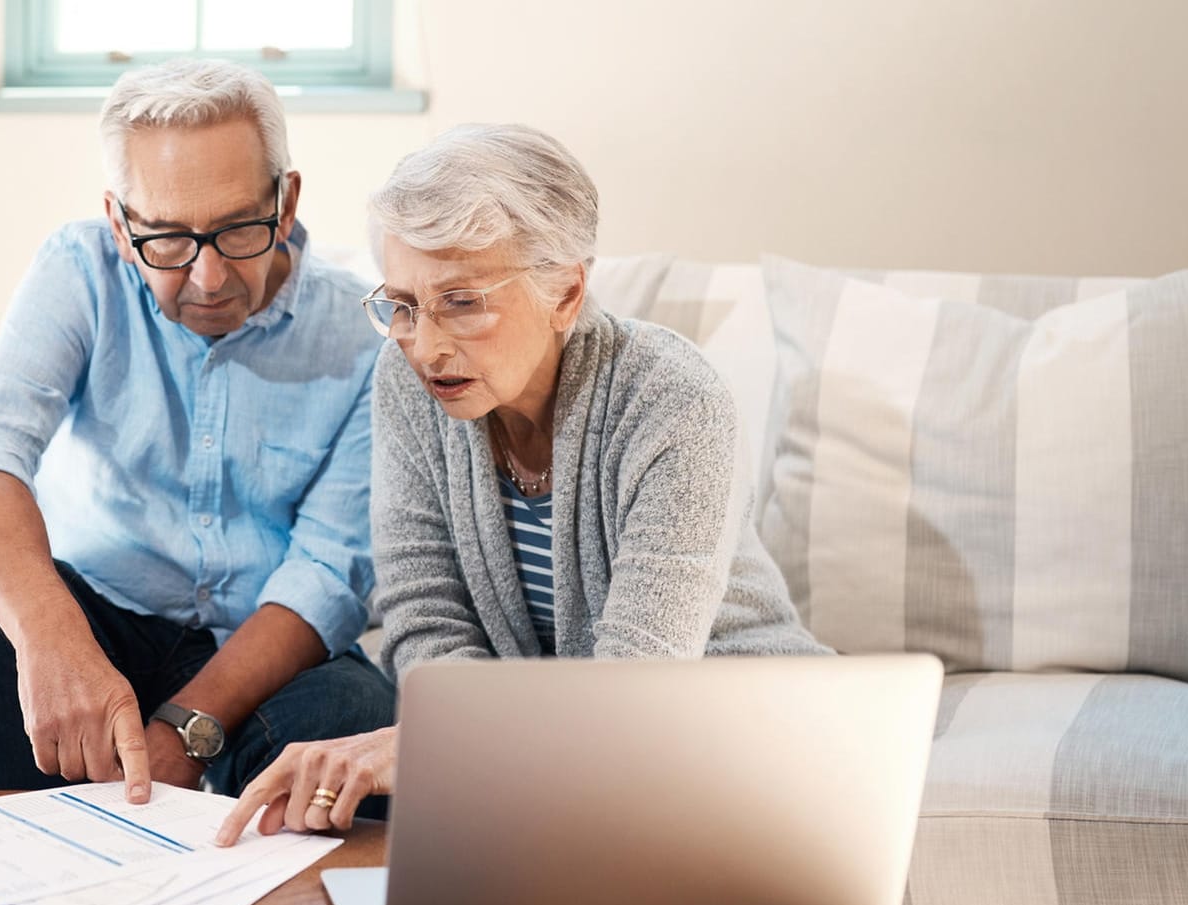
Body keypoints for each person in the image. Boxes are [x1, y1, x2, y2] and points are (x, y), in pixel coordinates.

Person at [215, 124, 828, 844]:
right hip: (548, 749)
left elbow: (638, 692)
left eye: (463, 302)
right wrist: (474, 748)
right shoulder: (409, 384)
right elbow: (422, 620)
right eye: (403, 305)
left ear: (565, 293)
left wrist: (442, 749)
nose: (425, 345)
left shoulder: (674, 401)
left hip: (723, 722)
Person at [0, 59, 394, 807]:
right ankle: (26, 852)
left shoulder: (367, 338)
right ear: (118, 220)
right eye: (166, 238)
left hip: (262, 647)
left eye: (239, 230)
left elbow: (330, 573)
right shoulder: (80, 269)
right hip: (102, 613)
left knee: (359, 715)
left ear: (287, 200)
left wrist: (182, 733)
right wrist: (52, 639)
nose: (207, 279)